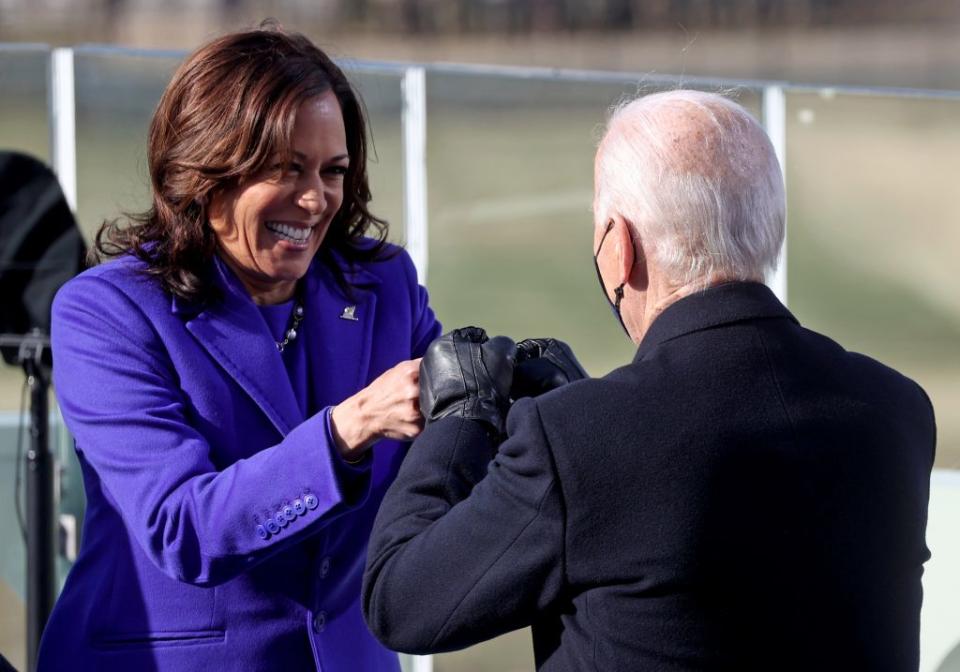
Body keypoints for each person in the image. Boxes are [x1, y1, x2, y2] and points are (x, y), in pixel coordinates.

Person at [362, 90, 936, 670]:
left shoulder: (577, 442)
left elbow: (402, 602)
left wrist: (460, 418)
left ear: (619, 247)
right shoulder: (896, 411)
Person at [38, 26, 439, 671]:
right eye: (286, 169)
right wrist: (346, 431)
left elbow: (448, 458)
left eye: (332, 171)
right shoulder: (106, 312)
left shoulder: (382, 286)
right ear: (205, 170)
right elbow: (182, 530)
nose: (315, 200)